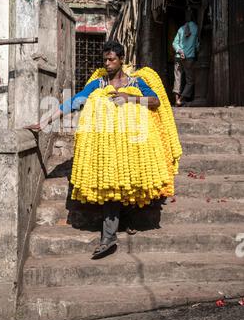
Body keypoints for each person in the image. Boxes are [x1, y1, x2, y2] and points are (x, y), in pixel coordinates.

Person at [25, 41, 181, 259]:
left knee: (130, 183)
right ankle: (108, 238)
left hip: (134, 145)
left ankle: (126, 219)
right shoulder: (98, 84)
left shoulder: (137, 82)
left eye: (112, 60)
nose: (107, 64)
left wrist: (130, 98)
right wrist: (44, 122)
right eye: (105, 60)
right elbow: (75, 101)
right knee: (112, 186)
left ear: (121, 60)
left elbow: (155, 102)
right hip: (107, 150)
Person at [172, 9, 199, 106]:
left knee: (177, 79)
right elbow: (197, 45)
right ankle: (180, 100)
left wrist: (180, 51)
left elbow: (174, 43)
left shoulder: (181, 29)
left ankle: (176, 100)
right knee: (190, 80)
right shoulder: (196, 28)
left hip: (178, 57)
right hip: (189, 58)